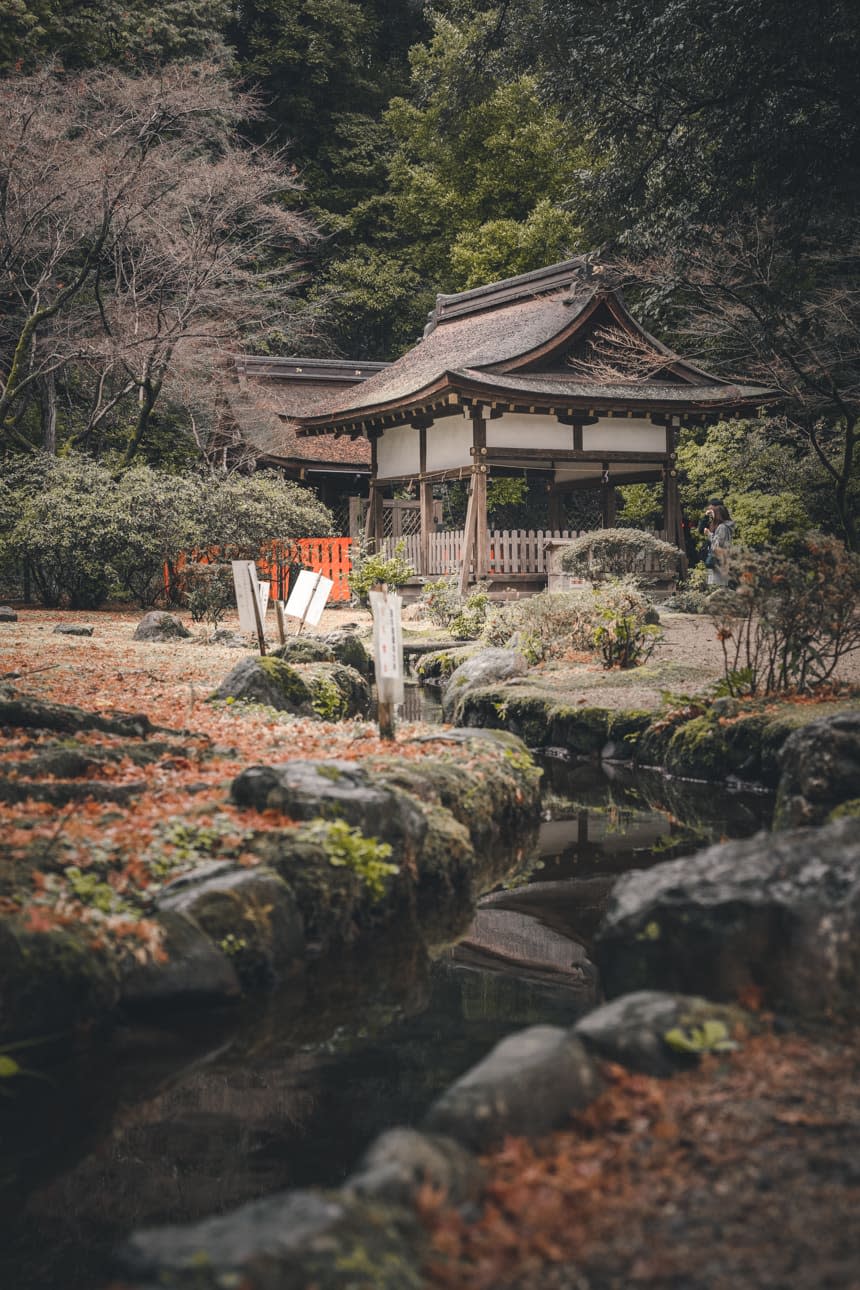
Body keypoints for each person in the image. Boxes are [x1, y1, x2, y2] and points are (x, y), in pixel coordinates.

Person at [704, 502, 735, 586]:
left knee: (717, 587)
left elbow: (717, 545)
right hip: (723, 560)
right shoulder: (727, 527)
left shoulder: (722, 527)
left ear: (718, 515)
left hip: (718, 562)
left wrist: (709, 534)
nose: (712, 516)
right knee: (721, 586)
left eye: (713, 513)